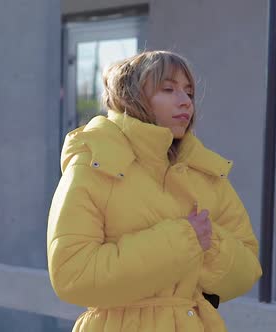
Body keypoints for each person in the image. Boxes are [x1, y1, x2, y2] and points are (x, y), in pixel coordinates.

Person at [47, 50, 262, 332]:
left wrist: (210, 243)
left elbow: (247, 272)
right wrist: (184, 239)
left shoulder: (204, 171)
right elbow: (72, 275)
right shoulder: (96, 164)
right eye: (168, 89)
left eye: (189, 92)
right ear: (131, 97)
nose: (185, 101)